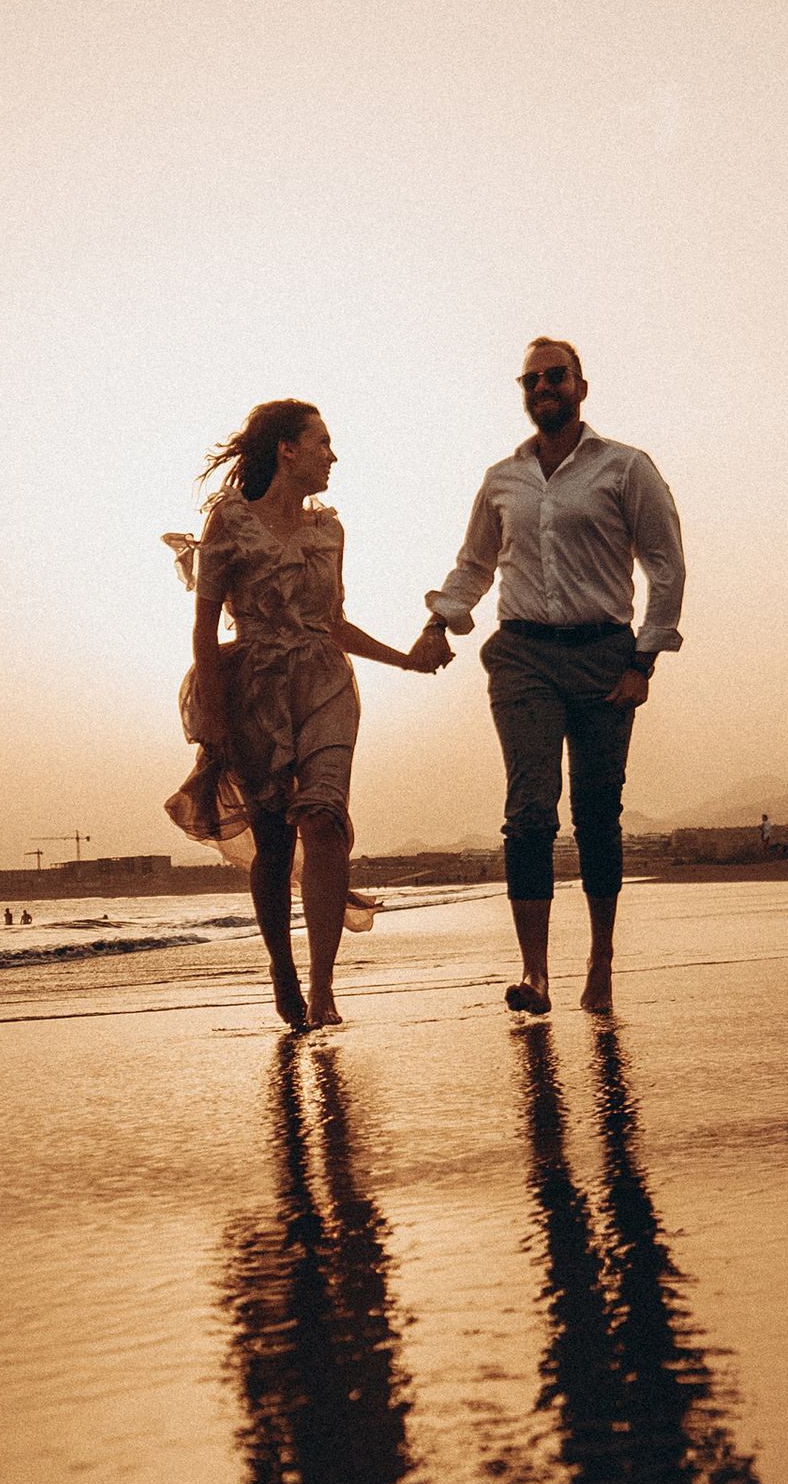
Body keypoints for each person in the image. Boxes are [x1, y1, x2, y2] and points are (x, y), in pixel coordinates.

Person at [417, 339, 684, 1017]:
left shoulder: (626, 467)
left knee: (598, 813)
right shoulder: (501, 479)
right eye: (531, 378)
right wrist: (441, 623)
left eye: (555, 376)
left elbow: (664, 566)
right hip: (523, 655)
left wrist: (643, 660)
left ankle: (600, 963)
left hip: (603, 655)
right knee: (530, 810)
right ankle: (534, 973)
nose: (543, 386)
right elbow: (475, 565)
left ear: (580, 387)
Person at [165, 400, 447, 1030]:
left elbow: (333, 623)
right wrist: (213, 714)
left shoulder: (330, 531)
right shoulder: (230, 523)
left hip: (324, 684)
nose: (333, 455)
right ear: (287, 450)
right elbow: (204, 629)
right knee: (272, 835)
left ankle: (322, 987)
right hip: (257, 688)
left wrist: (406, 660)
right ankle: (282, 967)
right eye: (323, 442)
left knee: (323, 819)